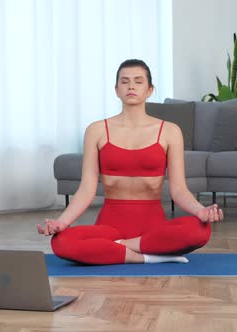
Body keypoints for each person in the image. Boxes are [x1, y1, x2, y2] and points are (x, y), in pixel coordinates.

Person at [37, 59, 223, 265]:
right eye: (124, 81)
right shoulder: (96, 130)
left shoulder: (170, 131)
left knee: (200, 231)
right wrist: (61, 223)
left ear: (150, 90)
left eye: (138, 81)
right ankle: (149, 257)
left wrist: (201, 211)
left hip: (153, 226)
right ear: (116, 89)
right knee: (61, 242)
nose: (131, 86)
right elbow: (87, 189)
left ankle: (118, 248)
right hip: (109, 226)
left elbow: (179, 190)